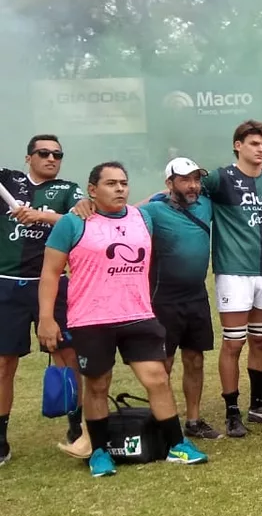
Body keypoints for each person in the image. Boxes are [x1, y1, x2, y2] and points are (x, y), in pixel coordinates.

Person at [37, 161, 207, 477]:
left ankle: (177, 445)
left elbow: (164, 196)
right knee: (98, 384)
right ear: (92, 189)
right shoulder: (73, 223)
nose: (119, 189)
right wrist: (46, 318)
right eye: (111, 183)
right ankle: (99, 452)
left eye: (123, 183)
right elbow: (50, 273)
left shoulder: (142, 217)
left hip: (138, 314)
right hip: (92, 318)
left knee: (157, 378)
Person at [0, 135, 86, 464]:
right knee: (4, 363)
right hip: (7, 285)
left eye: (57, 154)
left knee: (68, 355)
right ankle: (1, 438)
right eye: (44, 153)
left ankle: (77, 427)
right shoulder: (8, 181)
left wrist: (41, 216)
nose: (51, 158)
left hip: (53, 284)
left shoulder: (67, 190)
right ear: (29, 157)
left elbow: (82, 219)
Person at [202, 120, 262, 437]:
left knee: (261, 340)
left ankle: (256, 405)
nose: (261, 149)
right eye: (254, 143)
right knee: (234, 342)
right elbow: (183, 188)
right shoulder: (220, 178)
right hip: (233, 272)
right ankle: (231, 411)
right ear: (237, 145)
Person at [143, 159, 223, 437]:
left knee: (195, 359)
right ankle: (163, 422)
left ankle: (194, 421)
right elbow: (123, 218)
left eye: (196, 179)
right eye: (185, 180)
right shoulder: (153, 210)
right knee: (164, 363)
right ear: (170, 183)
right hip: (163, 298)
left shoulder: (205, 204)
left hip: (196, 296)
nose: (193, 186)